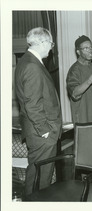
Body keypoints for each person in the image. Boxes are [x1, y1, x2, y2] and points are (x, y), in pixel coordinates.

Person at [15, 27, 62, 195]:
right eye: (51, 43)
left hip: (37, 133)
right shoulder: (32, 66)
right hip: (41, 134)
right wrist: (45, 132)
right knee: (40, 181)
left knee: (37, 176)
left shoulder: (26, 61)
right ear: (42, 42)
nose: (51, 47)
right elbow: (32, 104)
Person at [66, 35, 92, 126]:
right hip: (84, 116)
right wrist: (89, 81)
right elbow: (74, 93)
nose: (90, 50)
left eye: (91, 47)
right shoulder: (74, 70)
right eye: (86, 48)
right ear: (78, 52)